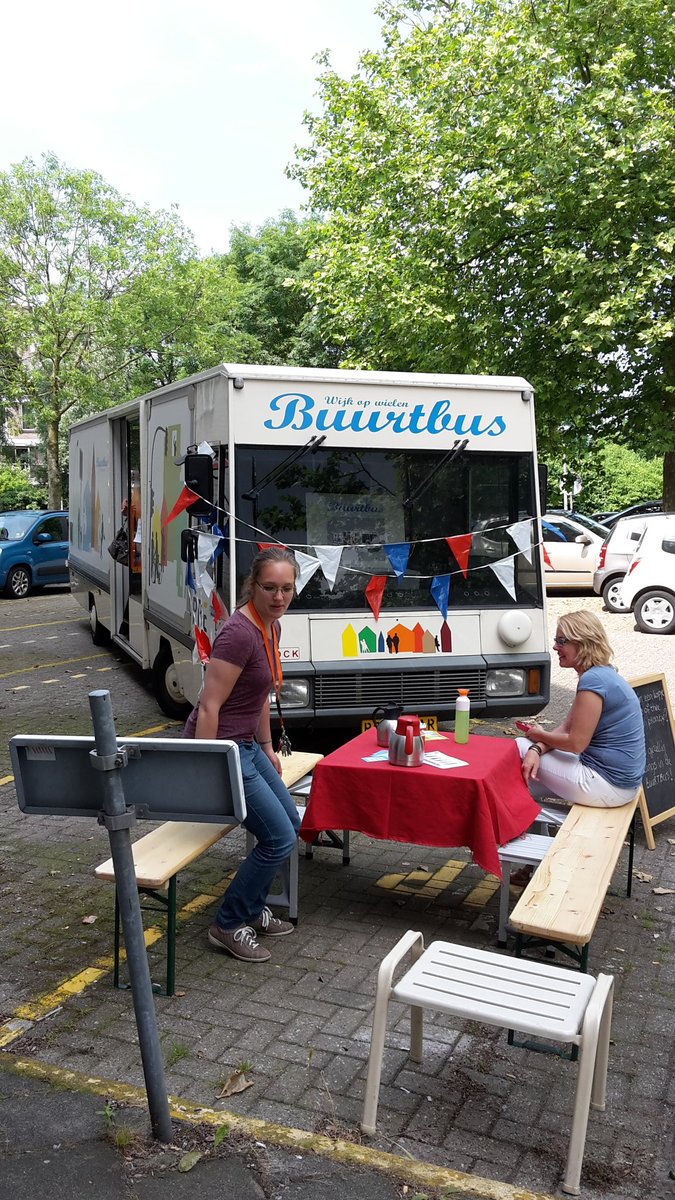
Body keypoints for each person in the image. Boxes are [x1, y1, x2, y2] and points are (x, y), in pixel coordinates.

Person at [183, 546, 300, 963]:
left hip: (248, 746)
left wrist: (268, 748)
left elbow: (260, 696)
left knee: (291, 823)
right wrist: (205, 769)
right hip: (225, 750)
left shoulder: (271, 626)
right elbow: (209, 706)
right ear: (252, 586)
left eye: (287, 588)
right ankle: (229, 923)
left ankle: (252, 908)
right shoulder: (238, 634)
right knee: (279, 837)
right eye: (269, 588)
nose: (279, 597)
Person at [516, 610, 646, 808]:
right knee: (525, 778)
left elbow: (576, 743)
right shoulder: (603, 673)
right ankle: (530, 828)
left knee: (518, 745)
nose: (555, 647)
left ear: (583, 643)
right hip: (621, 784)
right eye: (556, 640)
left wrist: (536, 735)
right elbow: (567, 728)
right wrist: (537, 747)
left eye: (561, 641)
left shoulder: (593, 681)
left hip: (608, 785)